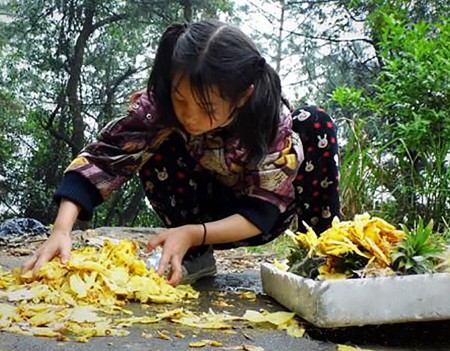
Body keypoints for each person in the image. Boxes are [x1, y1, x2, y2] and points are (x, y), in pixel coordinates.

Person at [22, 19, 340, 286]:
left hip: (257, 218)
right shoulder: (161, 109)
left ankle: (327, 256)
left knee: (315, 123)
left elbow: (263, 211)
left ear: (243, 96)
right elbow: (104, 159)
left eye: (206, 108)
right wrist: (60, 230)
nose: (191, 117)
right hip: (191, 214)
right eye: (181, 99)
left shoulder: (270, 121)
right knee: (155, 131)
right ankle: (192, 256)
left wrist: (195, 233)